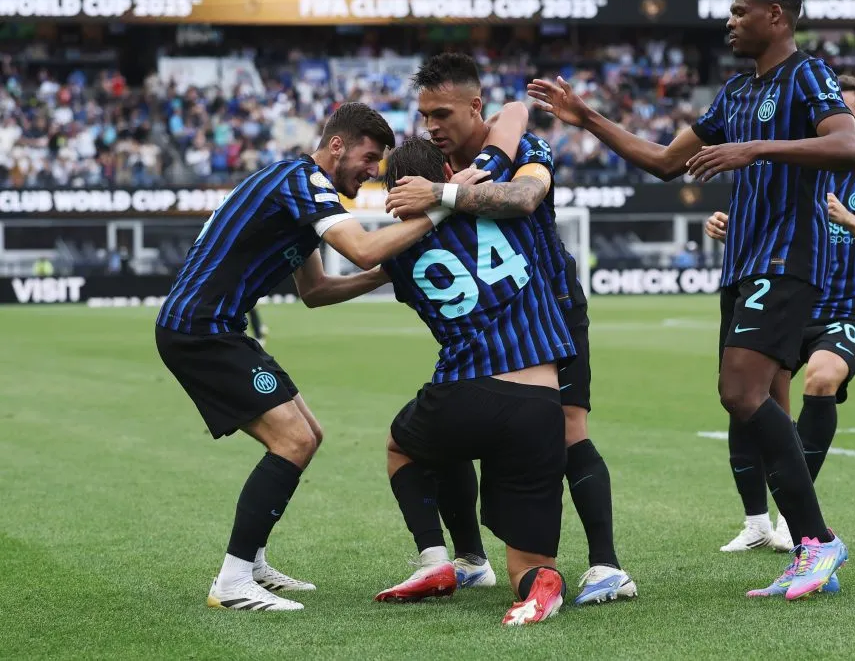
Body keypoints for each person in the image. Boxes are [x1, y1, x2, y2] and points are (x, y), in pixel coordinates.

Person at [528, 0, 855, 600]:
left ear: (777, 17)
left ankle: (816, 539)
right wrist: (584, 115)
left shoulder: (808, 75)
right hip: (743, 261)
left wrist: (751, 151)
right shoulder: (735, 92)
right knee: (757, 400)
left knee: (739, 390)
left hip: (788, 257)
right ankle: (807, 548)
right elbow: (661, 161)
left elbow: (847, 145)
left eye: (740, 11)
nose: (729, 21)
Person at [154, 102, 481, 612]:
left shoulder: (300, 194)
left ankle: (254, 561)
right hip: (201, 331)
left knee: (309, 433)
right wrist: (444, 205)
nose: (373, 172)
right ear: (337, 146)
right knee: (294, 439)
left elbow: (317, 291)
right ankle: (233, 580)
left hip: (215, 329)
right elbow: (364, 250)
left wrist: (386, 275)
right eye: (369, 159)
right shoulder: (303, 181)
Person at [383, 52, 636, 605]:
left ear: (475, 107)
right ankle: (472, 560)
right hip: (495, 321)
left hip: (551, 309)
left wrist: (440, 195)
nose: (431, 126)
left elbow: (525, 196)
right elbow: (515, 108)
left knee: (569, 432)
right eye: (424, 115)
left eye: (441, 114)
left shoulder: (517, 153)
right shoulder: (451, 161)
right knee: (457, 432)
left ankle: (606, 565)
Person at [705, 76, 855, 578]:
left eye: (841, 111)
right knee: (747, 394)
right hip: (794, 299)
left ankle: (798, 521)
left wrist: (847, 218)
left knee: (821, 378)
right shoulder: (806, 163)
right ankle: (756, 520)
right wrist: (729, 226)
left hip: (848, 308)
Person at [374, 134, 575, 625]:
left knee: (404, 446)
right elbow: (513, 118)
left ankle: (440, 560)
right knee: (528, 564)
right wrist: (458, 185)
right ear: (445, 170)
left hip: (465, 392)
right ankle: (541, 587)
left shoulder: (399, 259)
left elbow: (394, 260)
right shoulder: (505, 207)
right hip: (542, 403)